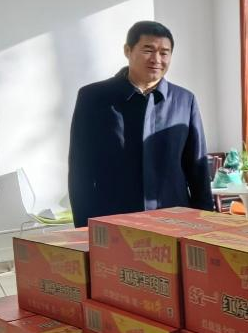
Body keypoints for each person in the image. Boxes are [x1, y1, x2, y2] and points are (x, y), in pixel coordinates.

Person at [68, 20, 213, 227]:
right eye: (148, 50)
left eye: (164, 53)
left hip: (174, 220)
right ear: (127, 51)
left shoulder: (184, 100)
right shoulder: (94, 97)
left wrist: (206, 222)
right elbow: (80, 167)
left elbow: (197, 169)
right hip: (113, 220)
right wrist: (84, 227)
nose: (156, 59)